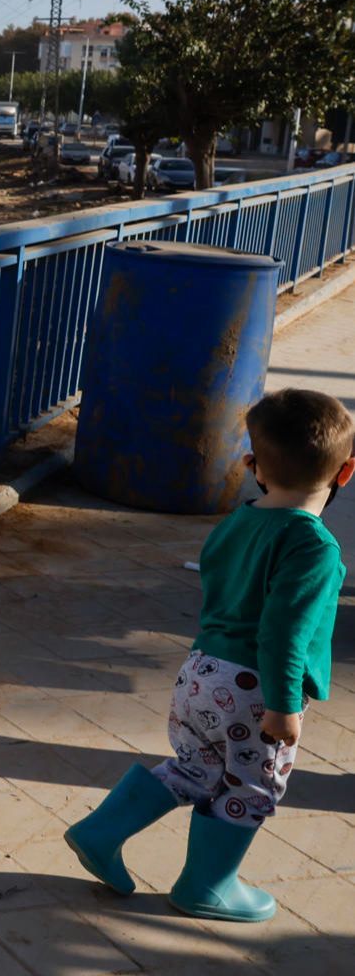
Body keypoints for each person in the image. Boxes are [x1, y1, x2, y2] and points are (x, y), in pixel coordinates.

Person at [65, 388, 354, 922]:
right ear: (346, 472)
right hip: (256, 689)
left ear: (253, 467)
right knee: (253, 786)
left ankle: (100, 830)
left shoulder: (237, 522)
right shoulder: (315, 548)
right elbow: (284, 632)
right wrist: (284, 703)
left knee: (195, 767)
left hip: (201, 673)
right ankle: (207, 885)